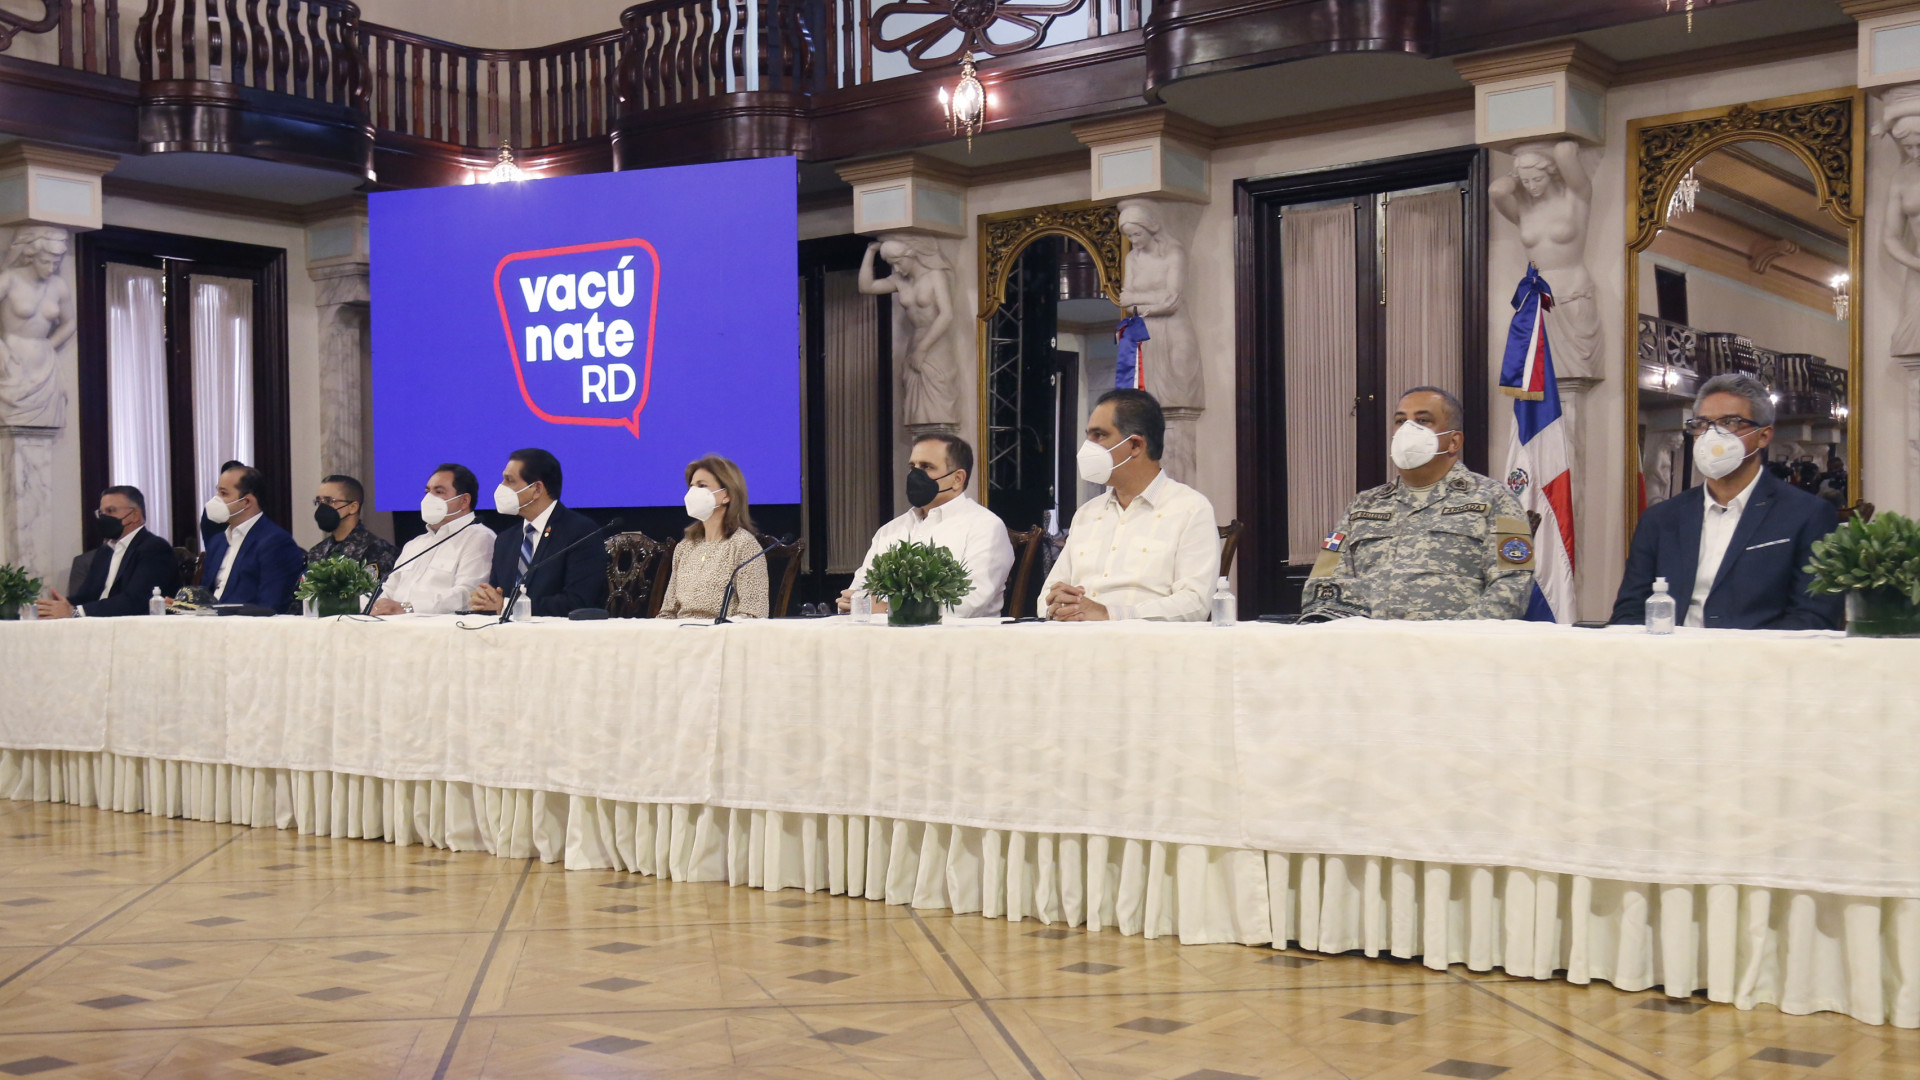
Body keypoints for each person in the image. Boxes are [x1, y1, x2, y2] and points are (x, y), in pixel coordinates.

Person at [1609, 373, 1842, 630]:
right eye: (1702, 424)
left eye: (1729, 422)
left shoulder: (1807, 514)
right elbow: (1629, 613)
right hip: (1671, 651)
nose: (1712, 435)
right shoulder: (1661, 519)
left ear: (1763, 436)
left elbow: (1812, 616)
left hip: (1760, 653)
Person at [1302, 387, 1534, 621]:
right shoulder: (1364, 505)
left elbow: (1512, 588)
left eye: (1423, 421)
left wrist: (1448, 637)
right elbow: (1325, 583)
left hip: (1457, 642)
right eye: (1400, 421)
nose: (1408, 429)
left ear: (1454, 441)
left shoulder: (1494, 499)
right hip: (1370, 641)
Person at [1041, 389, 1219, 621]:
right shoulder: (1086, 513)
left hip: (1145, 640)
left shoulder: (1190, 509)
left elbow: (1194, 604)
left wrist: (1109, 614)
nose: (1087, 448)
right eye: (1088, 436)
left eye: (1099, 435)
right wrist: (1056, 605)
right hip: (1074, 637)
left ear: (1135, 445)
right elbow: (1046, 596)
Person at [839, 434, 1014, 619]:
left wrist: (888, 608)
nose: (915, 475)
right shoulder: (889, 531)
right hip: (881, 634)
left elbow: (969, 603)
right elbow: (859, 591)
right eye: (912, 467)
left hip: (959, 635)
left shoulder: (985, 527)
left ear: (957, 479)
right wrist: (852, 602)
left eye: (926, 467)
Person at [470, 448, 609, 616]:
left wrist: (507, 606)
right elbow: (496, 597)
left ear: (537, 489)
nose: (501, 487)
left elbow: (578, 602)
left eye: (509, 480)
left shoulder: (581, 532)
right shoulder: (505, 539)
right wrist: (485, 600)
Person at [35, 486, 181, 618]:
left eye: (111, 511)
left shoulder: (155, 548)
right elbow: (87, 596)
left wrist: (74, 612)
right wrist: (57, 606)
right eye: (101, 512)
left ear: (135, 515)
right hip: (99, 624)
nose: (104, 517)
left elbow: (136, 601)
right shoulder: (105, 551)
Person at [370, 463, 496, 615]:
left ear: (464, 501)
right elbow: (388, 590)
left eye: (439, 492)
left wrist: (407, 607)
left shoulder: (479, 538)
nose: (429, 498)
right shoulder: (415, 544)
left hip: (443, 628)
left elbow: (468, 595)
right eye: (427, 491)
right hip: (392, 625)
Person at [657, 455, 768, 619]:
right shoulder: (684, 547)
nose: (693, 493)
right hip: (681, 632)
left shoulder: (744, 546)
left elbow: (753, 614)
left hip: (721, 633)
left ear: (726, 495)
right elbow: (667, 612)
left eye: (702, 486)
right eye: (692, 486)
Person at [201, 463, 306, 611]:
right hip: (209, 621)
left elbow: (270, 605)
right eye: (217, 492)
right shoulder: (218, 541)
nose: (216, 499)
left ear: (246, 502)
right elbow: (205, 595)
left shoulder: (276, 542)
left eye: (224, 493)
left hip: (244, 623)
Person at [306, 474, 398, 577]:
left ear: (353, 507)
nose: (322, 507)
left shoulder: (378, 551)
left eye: (329, 501)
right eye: (319, 501)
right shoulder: (317, 552)